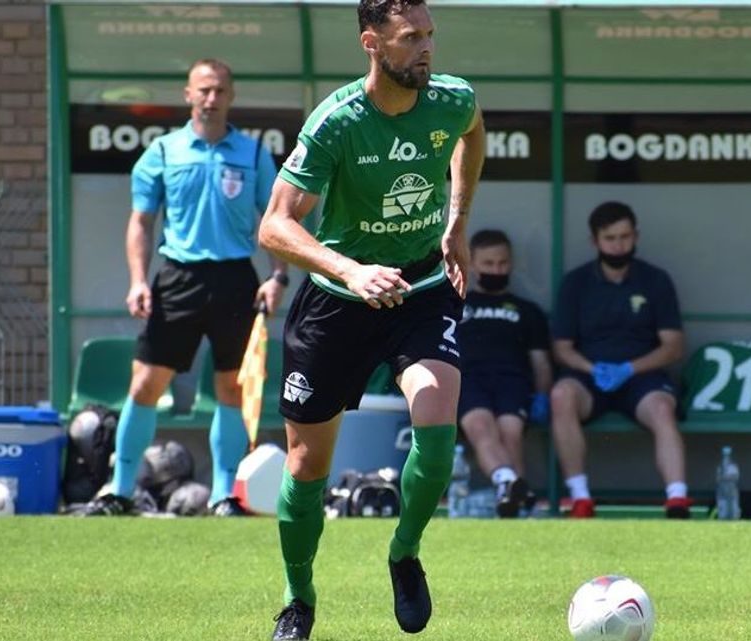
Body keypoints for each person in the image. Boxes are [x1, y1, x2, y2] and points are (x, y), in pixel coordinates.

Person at [257, 1, 485, 638]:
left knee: (437, 421)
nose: (426, 49)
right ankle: (298, 597)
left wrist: (457, 222)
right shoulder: (337, 122)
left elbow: (473, 131)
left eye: (430, 35)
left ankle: (404, 554)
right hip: (339, 302)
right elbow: (275, 226)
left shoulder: (452, 98)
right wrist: (351, 271)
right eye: (410, 37)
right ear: (371, 43)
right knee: (305, 467)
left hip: (421, 287)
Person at [83, 59, 287, 517]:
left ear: (231, 96)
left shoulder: (253, 154)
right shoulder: (163, 151)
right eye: (203, 90)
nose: (211, 98)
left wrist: (278, 277)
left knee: (232, 389)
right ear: (188, 94)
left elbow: (274, 223)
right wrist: (138, 280)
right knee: (145, 384)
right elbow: (141, 220)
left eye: (219, 90)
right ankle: (119, 490)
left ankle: (222, 496)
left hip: (236, 280)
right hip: (177, 277)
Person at [549, 201, 691, 519]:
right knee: (561, 395)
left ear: (636, 236)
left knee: (662, 408)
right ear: (595, 241)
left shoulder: (655, 280)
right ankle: (581, 499)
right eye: (611, 238)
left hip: (642, 375)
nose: (618, 245)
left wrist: (628, 369)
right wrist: (592, 368)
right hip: (589, 376)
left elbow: (674, 346)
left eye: (625, 237)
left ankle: (678, 500)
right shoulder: (576, 283)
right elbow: (562, 348)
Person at [457, 229, 552, 517]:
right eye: (488, 264)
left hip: (513, 381)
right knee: (481, 427)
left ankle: (510, 497)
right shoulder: (457, 305)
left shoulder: (528, 311)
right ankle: (510, 485)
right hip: (470, 381)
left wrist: (542, 396)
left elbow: (541, 362)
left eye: (502, 264)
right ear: (472, 265)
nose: (496, 270)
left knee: (510, 432)